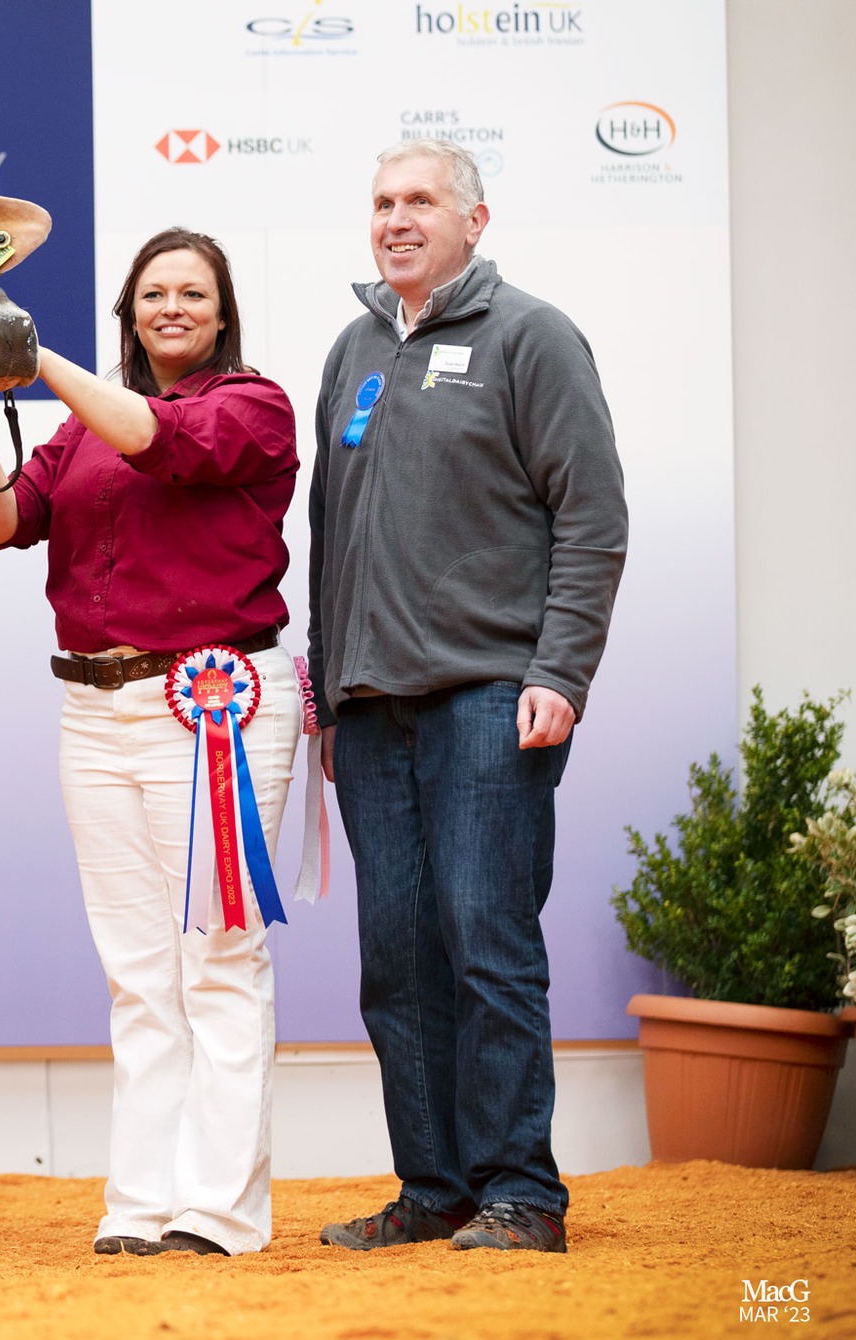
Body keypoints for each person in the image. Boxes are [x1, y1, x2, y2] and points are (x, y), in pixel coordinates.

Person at [307, 140, 627, 1255]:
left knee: (485, 946)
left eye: (420, 201)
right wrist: (327, 685)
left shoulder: (529, 336)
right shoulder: (351, 350)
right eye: (381, 200)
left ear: (473, 220)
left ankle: (520, 1195)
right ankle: (433, 1186)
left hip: (491, 699)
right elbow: (330, 538)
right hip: (369, 710)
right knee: (393, 961)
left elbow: (590, 517)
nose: (396, 219)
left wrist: (558, 673)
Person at [0, 229, 300, 1257]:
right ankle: (143, 1203)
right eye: (154, 293)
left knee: (217, 961)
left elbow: (160, 439)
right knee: (138, 971)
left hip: (215, 706)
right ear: (130, 310)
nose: (172, 308)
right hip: (93, 709)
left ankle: (220, 1212)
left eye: (192, 292)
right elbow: (2, 518)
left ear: (221, 310)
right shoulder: (80, 432)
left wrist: (25, 355)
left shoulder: (253, 405)